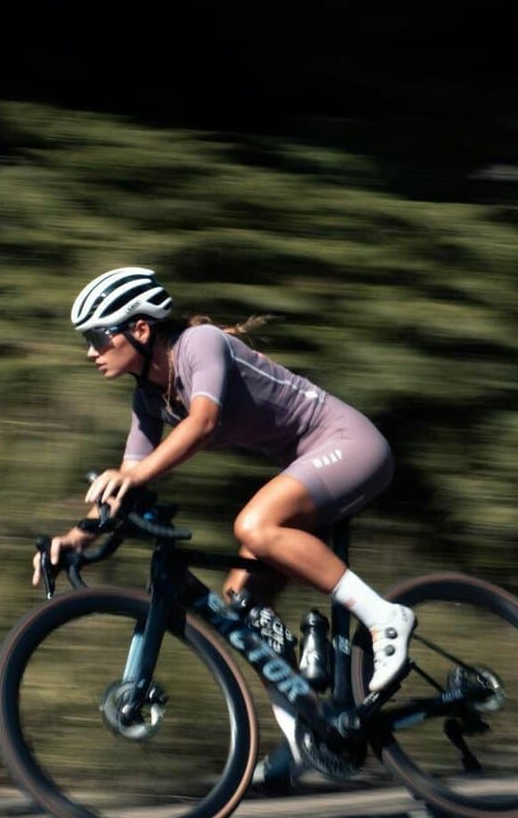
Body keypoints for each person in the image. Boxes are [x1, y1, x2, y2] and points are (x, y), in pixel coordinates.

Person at [32, 267, 415, 776]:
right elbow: (128, 481)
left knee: (252, 525)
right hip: (309, 466)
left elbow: (203, 421)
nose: (90, 351)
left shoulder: (199, 344)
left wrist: (138, 474)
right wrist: (76, 539)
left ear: (140, 330)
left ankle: (386, 618)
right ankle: (309, 731)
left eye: (99, 336)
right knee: (242, 612)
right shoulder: (149, 398)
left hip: (350, 445)